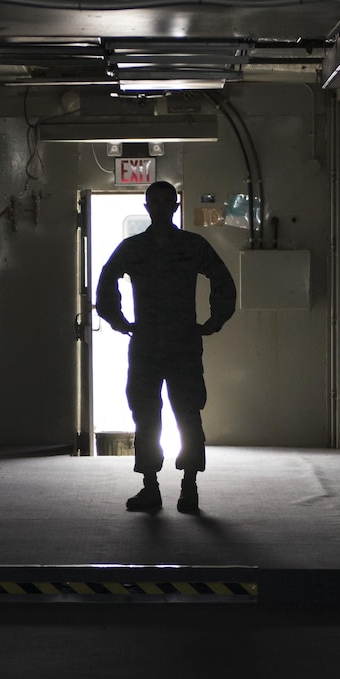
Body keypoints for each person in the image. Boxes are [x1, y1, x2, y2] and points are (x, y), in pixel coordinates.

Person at [95, 180, 237, 514]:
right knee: (146, 417)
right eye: (153, 202)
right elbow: (106, 280)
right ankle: (150, 488)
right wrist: (118, 320)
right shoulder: (133, 248)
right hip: (146, 344)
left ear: (175, 207)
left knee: (188, 414)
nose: (159, 208)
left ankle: (190, 488)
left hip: (182, 344)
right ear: (147, 208)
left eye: (165, 202)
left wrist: (215, 320)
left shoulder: (192, 245)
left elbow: (223, 280)